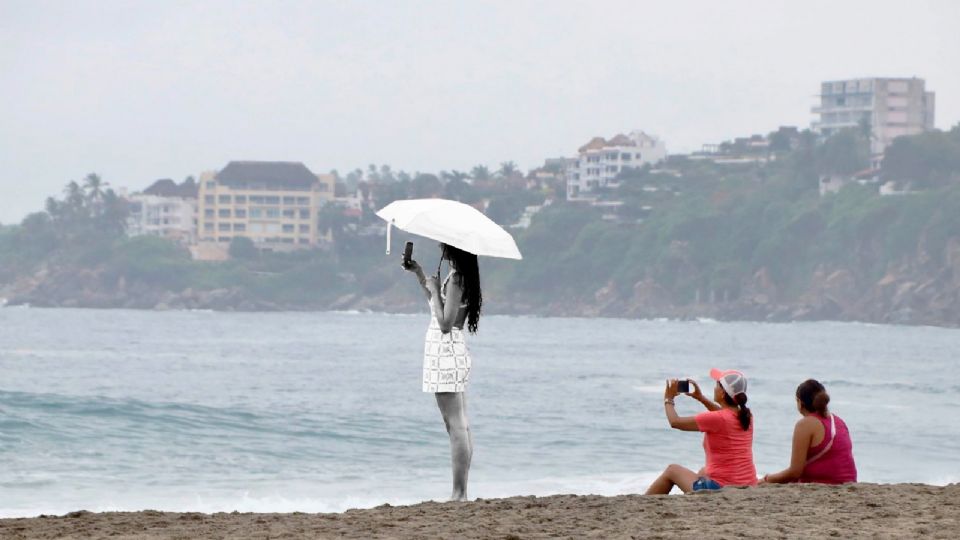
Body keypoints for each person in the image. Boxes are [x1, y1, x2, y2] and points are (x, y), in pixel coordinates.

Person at [403, 242, 482, 501]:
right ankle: (461, 492)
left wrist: (437, 290)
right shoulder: (458, 276)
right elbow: (436, 307)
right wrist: (420, 274)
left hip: (446, 352)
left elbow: (446, 323)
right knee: (458, 423)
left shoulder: (457, 279)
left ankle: (459, 493)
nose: (440, 246)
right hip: (448, 352)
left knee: (456, 425)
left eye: (444, 243)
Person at [645, 369, 757, 494]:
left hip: (722, 488)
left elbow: (675, 422)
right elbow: (724, 415)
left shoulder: (718, 418)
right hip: (748, 484)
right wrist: (701, 398)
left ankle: (642, 502)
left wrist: (668, 398)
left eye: (717, 385)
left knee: (672, 470)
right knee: (703, 471)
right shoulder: (746, 416)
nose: (714, 388)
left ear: (722, 393)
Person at [761, 379, 857, 485]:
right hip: (849, 482)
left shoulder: (805, 424)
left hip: (826, 484)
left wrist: (766, 479)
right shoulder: (838, 421)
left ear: (800, 403)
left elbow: (795, 472)